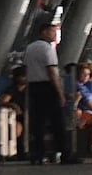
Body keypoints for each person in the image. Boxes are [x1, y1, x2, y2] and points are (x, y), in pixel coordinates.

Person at [24, 23, 80, 164]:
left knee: (37, 123)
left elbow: (26, 68)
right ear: (43, 32)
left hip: (33, 87)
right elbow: (52, 72)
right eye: (52, 31)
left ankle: (37, 154)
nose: (55, 35)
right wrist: (60, 93)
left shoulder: (30, 48)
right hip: (48, 88)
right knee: (57, 122)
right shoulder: (48, 49)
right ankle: (65, 154)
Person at [0, 65, 27, 159]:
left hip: (29, 116)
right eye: (21, 75)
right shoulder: (12, 90)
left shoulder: (30, 90)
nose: (23, 78)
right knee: (17, 128)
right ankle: (18, 152)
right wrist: (13, 105)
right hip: (17, 117)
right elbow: (3, 101)